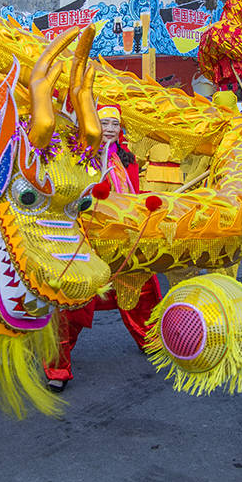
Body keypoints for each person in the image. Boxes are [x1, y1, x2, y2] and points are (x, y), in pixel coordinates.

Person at [44, 103, 161, 393]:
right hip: (86, 240)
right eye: (104, 123)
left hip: (123, 238)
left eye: (114, 124)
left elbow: (132, 194)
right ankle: (57, 366)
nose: (109, 129)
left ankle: (150, 340)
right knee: (73, 305)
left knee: (142, 290)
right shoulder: (79, 156)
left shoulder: (127, 159)